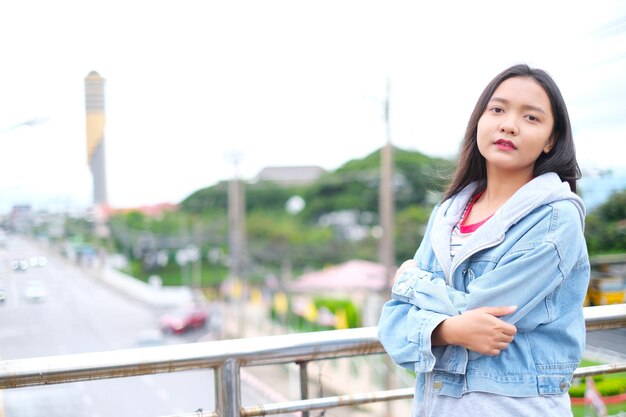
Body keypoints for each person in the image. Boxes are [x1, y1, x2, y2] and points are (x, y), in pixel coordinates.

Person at [377, 64, 590, 417]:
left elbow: (487, 312)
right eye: (497, 109)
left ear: (552, 139)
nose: (509, 124)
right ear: (479, 120)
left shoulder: (555, 219)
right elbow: (392, 325)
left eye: (532, 118)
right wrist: (449, 330)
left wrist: (410, 284)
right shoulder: (448, 214)